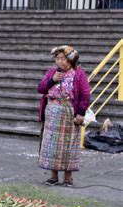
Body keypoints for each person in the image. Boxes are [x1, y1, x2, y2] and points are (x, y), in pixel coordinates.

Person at [37, 45, 90, 187]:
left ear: (71, 60)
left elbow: (85, 95)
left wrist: (81, 113)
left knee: (68, 144)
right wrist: (52, 80)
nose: (59, 62)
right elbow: (40, 88)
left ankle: (68, 178)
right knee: (52, 144)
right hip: (53, 112)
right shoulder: (52, 72)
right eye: (57, 58)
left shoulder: (79, 74)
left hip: (69, 112)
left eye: (63, 59)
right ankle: (53, 177)